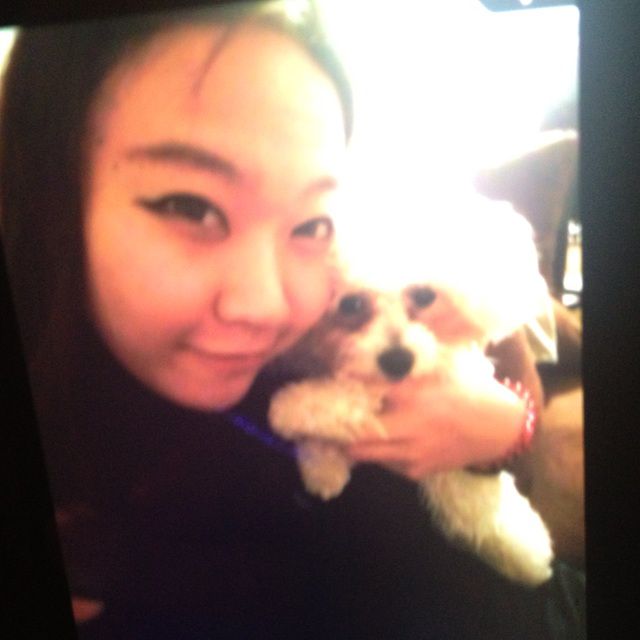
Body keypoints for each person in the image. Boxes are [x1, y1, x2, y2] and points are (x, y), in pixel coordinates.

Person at [0, 1, 584, 638]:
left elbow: (515, 446)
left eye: (311, 224)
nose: (269, 306)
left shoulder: (360, 301)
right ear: (50, 196)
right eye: (189, 206)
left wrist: (508, 426)